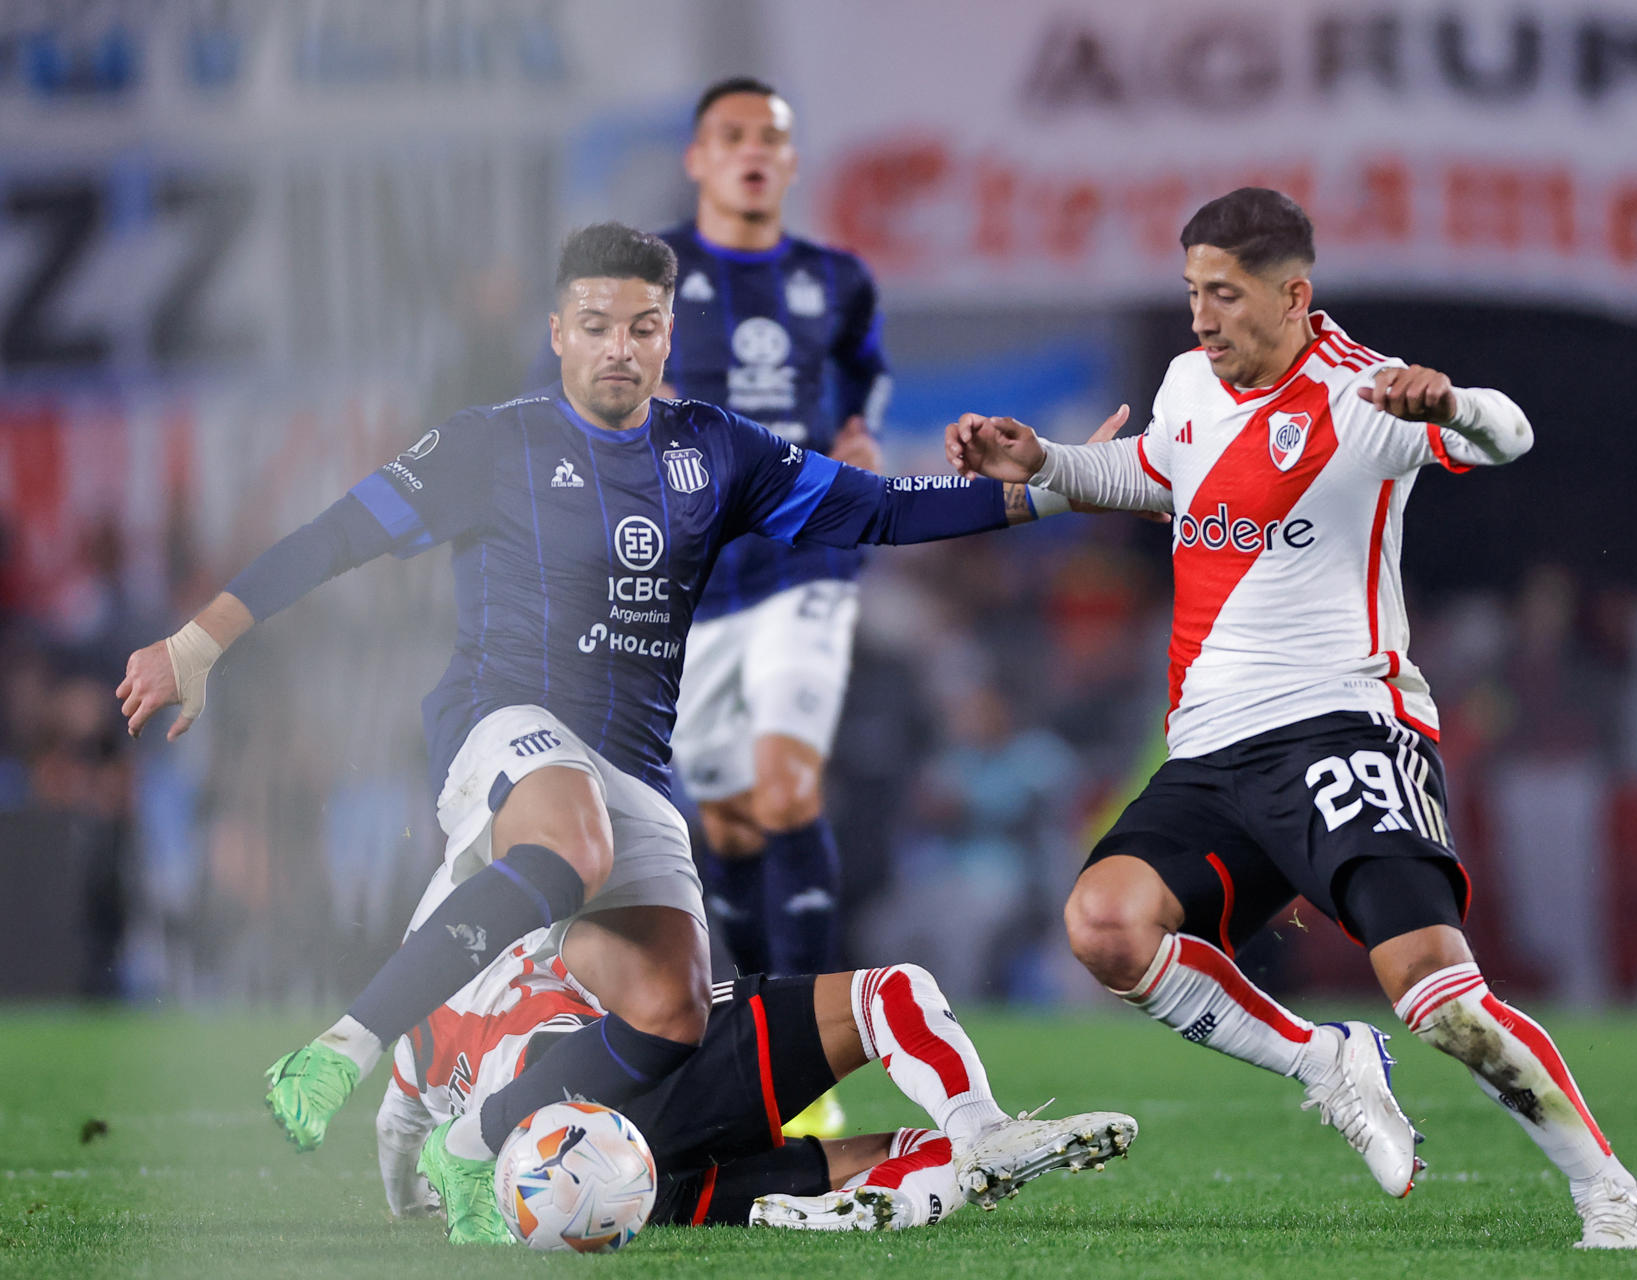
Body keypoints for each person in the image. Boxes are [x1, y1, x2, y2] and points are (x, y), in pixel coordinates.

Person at [116, 222, 1064, 1242]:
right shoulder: (491, 444)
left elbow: (876, 508)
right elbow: (334, 536)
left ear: (667, 336)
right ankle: (341, 1047)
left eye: (642, 326)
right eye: (597, 324)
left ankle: (470, 1143)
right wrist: (196, 643)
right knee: (573, 840)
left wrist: (1052, 482)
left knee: (671, 1008)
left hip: (633, 772)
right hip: (502, 725)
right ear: (558, 331)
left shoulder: (715, 450)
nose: (620, 346)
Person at [947, 188, 1637, 1250]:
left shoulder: (1364, 393)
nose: (1201, 318)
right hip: (1210, 748)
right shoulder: (1189, 381)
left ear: (1293, 295)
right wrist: (1044, 463)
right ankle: (1323, 1059)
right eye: (1192, 292)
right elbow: (1162, 472)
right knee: (1104, 923)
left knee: (1437, 997)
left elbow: (1510, 436)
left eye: (1224, 295)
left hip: (1344, 727)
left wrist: (1454, 403)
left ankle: (1609, 1188)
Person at [374, 913, 1136, 1240]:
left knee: (901, 1150)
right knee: (891, 993)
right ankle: (982, 1131)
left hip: (597, 1197)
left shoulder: (414, 1043)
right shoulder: (533, 937)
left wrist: (419, 1205)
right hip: (621, 1099)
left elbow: (397, 1152)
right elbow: (641, 983)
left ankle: (876, 1208)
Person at [665, 78, 886, 1011]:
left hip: (806, 557)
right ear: (698, 159)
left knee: (787, 790)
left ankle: (804, 1038)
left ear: (791, 162)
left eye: (770, 136)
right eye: (733, 135)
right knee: (728, 820)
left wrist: (860, 434)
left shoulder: (838, 279)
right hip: (695, 578)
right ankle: (754, 1018)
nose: (753, 150)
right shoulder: (650, 273)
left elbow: (866, 375)